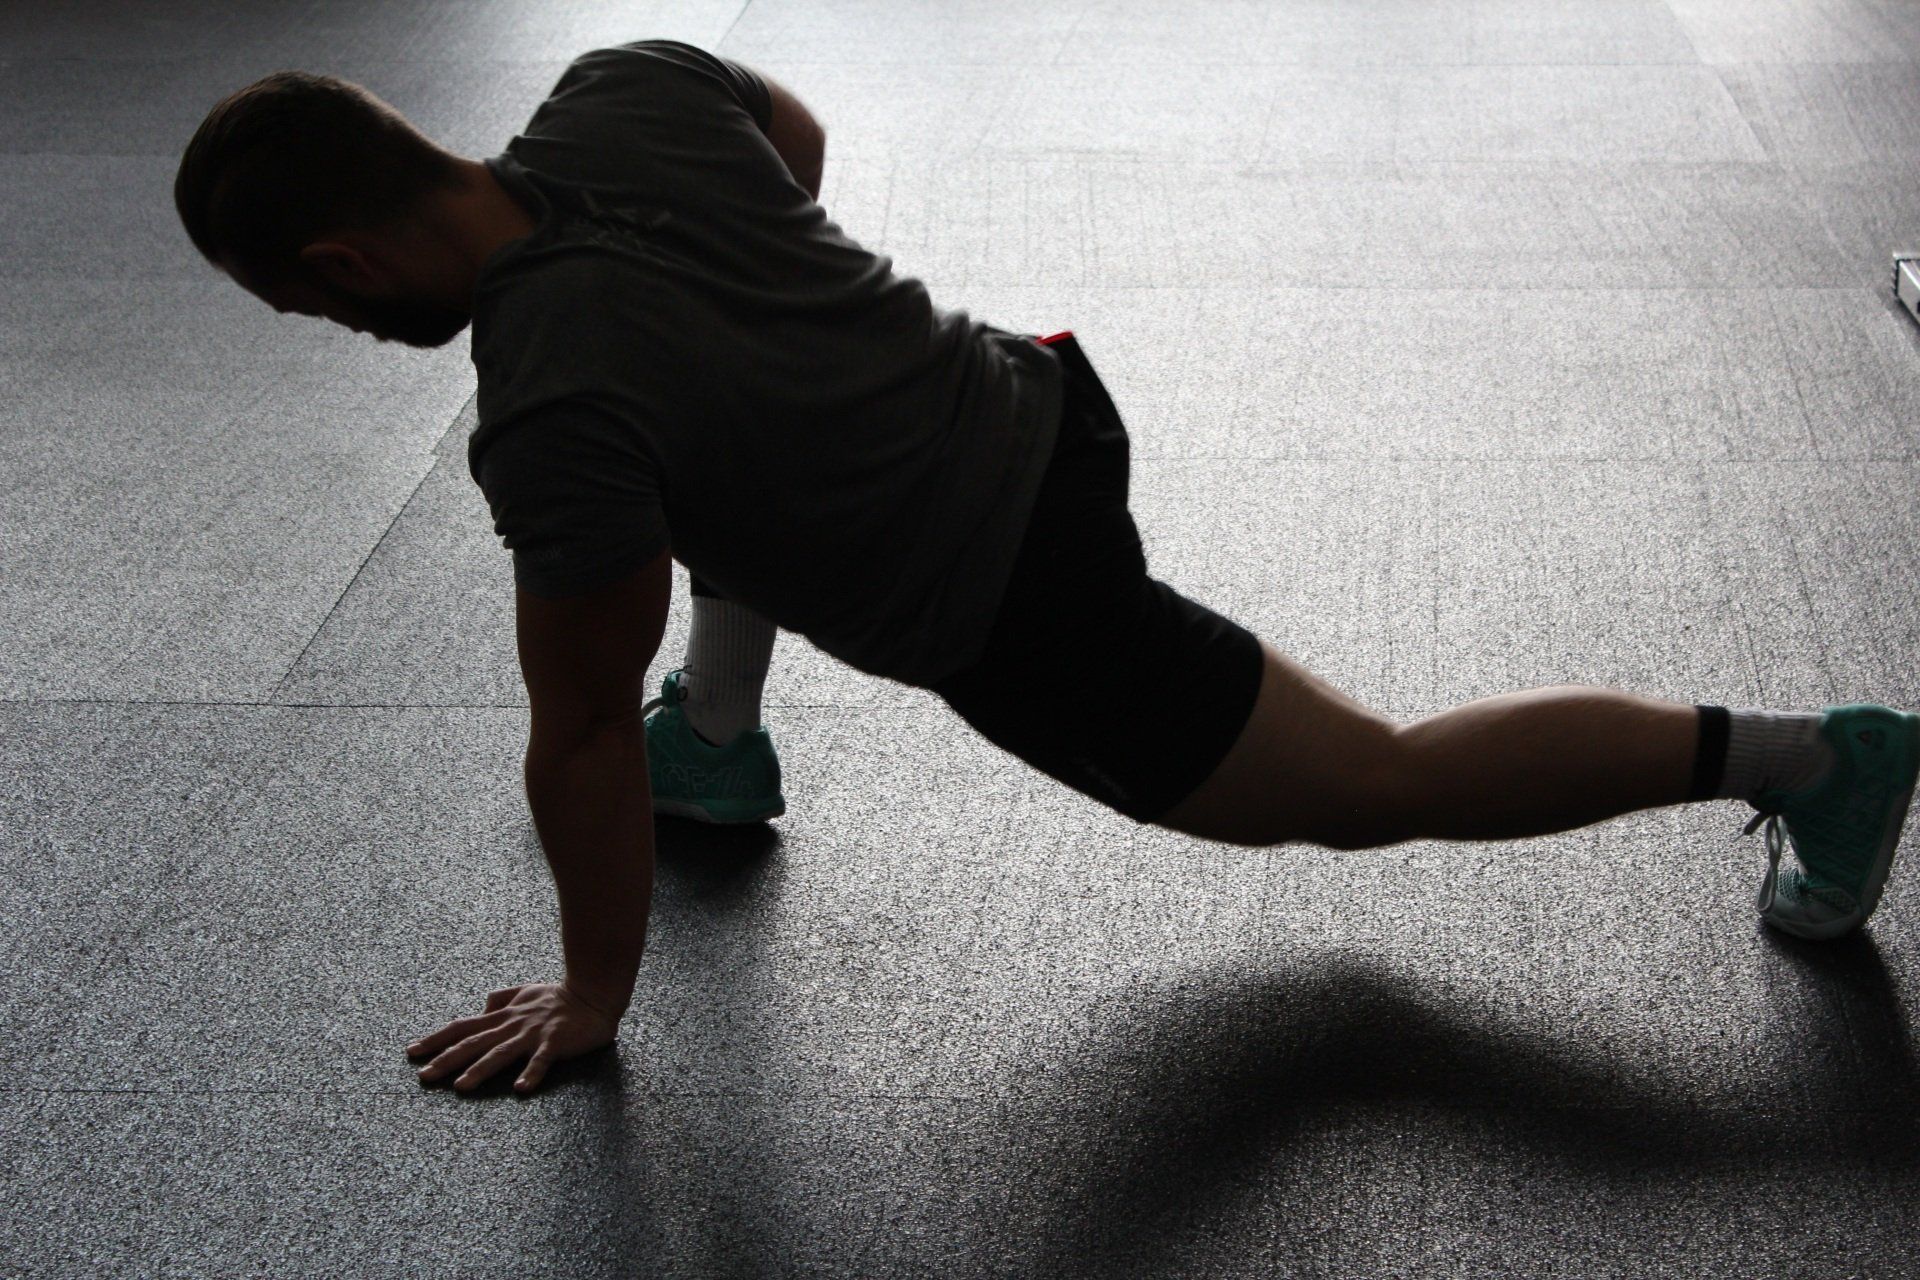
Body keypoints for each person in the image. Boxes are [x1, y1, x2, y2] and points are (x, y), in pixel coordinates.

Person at [173, 39, 1919, 1096]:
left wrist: (596, 992)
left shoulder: (550, 412)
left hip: (1018, 599)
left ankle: (1814, 760)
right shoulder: (623, 89)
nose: (332, 331)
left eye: (307, 308)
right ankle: (719, 732)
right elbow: (796, 149)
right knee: (712, 458)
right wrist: (778, 338)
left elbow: (567, 736)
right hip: (1039, 391)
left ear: (337, 259)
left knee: (1372, 787)